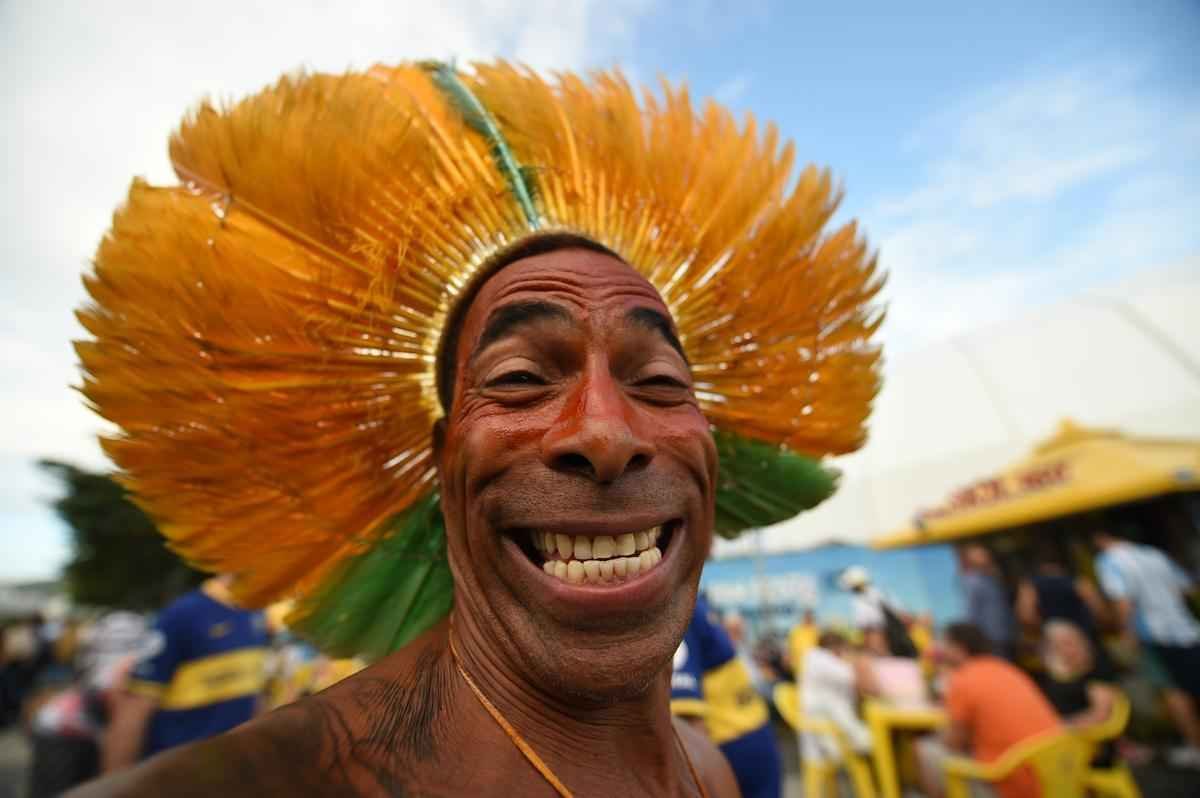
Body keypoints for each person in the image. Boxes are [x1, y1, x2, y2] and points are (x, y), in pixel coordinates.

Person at [66, 60, 882, 796]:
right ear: (440, 460)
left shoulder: (705, 774)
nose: (605, 433)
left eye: (660, 382)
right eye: (521, 380)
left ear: (712, 448)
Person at [101, 576, 270, 771]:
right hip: (174, 776)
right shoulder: (182, 615)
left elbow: (252, 694)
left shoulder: (255, 612)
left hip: (229, 774)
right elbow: (132, 712)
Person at [1093, 530, 1200, 768]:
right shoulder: (1155, 555)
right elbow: (1185, 588)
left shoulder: (1108, 561)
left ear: (1101, 539)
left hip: (1154, 636)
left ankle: (1196, 747)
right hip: (1186, 629)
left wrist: (1125, 632)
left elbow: (1123, 601)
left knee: (1174, 692)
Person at [916, 623, 1060, 798]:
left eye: (946, 645)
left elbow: (954, 742)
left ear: (959, 648)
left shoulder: (963, 679)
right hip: (1056, 780)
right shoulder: (1009, 670)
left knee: (926, 749)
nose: (942, 651)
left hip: (1012, 786)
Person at [672, 596, 783, 798]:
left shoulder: (695, 598)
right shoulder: (676, 604)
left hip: (752, 738)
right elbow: (687, 718)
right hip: (730, 747)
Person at [1036, 620, 1119, 767]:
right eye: (1056, 646)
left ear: (1083, 642)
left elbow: (1100, 715)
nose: (1064, 649)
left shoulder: (1095, 672)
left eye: (1069, 642)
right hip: (1058, 743)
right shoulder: (1056, 674)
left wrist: (1060, 728)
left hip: (1087, 745)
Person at [798, 630, 874, 760]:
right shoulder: (820, 658)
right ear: (836, 647)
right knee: (866, 739)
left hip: (824, 717)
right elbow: (852, 678)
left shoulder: (814, 657)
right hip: (825, 723)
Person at [1015, 545, 1107, 644]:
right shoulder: (1077, 581)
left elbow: (1026, 615)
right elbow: (1098, 608)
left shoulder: (1029, 586)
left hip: (1054, 639)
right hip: (1084, 635)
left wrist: (1042, 630)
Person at [840, 566, 916, 658]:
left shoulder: (860, 602)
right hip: (899, 644)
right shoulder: (883, 593)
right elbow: (904, 616)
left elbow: (867, 629)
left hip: (886, 648)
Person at [958, 545, 1017, 660]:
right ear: (970, 559)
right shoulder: (972, 581)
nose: (985, 557)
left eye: (984, 554)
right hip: (991, 637)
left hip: (1004, 634)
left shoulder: (990, 577)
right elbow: (971, 610)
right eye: (979, 555)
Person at [787, 608, 820, 680]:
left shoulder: (817, 631)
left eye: (810, 616)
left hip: (815, 668)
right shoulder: (796, 631)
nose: (808, 618)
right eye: (806, 616)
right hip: (799, 668)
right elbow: (790, 648)